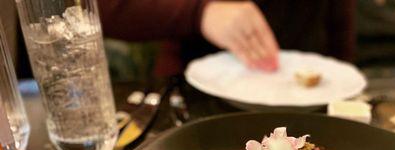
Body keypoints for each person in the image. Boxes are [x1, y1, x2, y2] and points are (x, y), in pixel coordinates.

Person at [98, 0, 355, 76]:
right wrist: (200, 13)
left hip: (308, 106)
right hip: (195, 104)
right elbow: (99, 8)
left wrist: (342, 82)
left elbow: (340, 22)